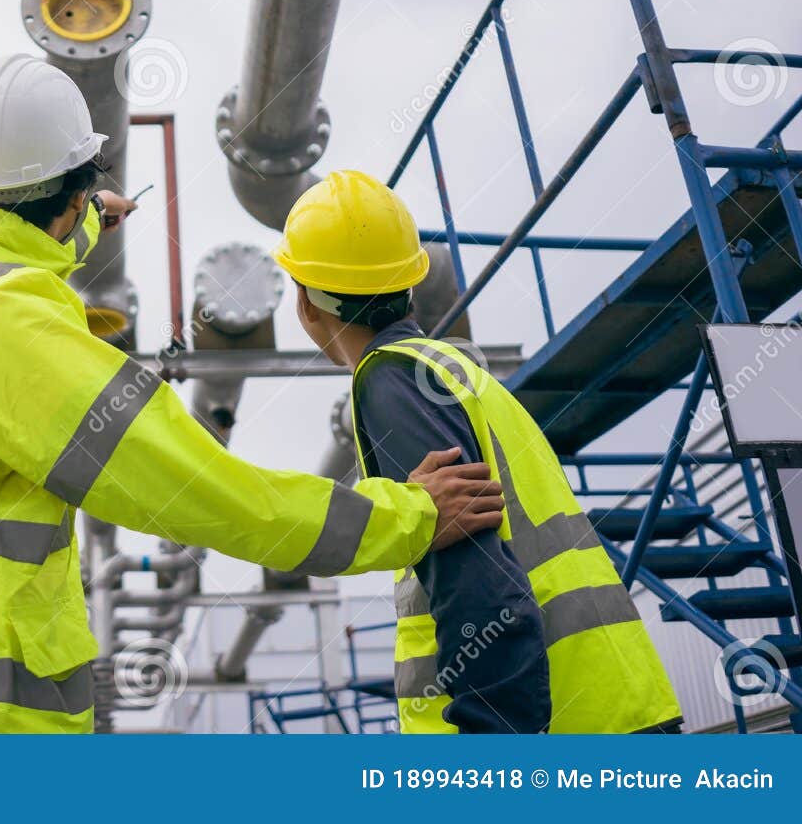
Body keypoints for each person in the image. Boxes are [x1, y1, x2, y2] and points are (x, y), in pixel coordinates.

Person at [0, 56, 505, 733]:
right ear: (74, 193)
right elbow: (204, 489)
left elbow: (15, 241)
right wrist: (407, 519)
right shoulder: (10, 328)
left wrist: (82, 221)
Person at [275, 169, 683, 734]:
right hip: (607, 706)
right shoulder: (455, 373)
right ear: (410, 282)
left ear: (305, 302)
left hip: (546, 730)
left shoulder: (392, 379)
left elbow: (481, 586)